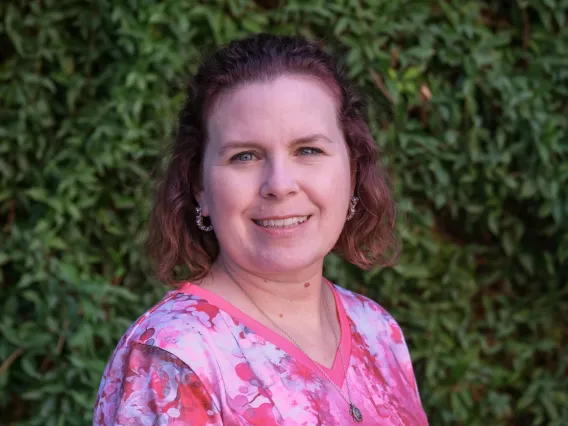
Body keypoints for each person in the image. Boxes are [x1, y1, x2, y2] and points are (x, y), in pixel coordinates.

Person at [93, 33, 428, 425]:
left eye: (308, 150)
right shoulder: (175, 358)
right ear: (199, 186)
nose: (280, 184)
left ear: (353, 171)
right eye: (245, 156)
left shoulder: (377, 330)